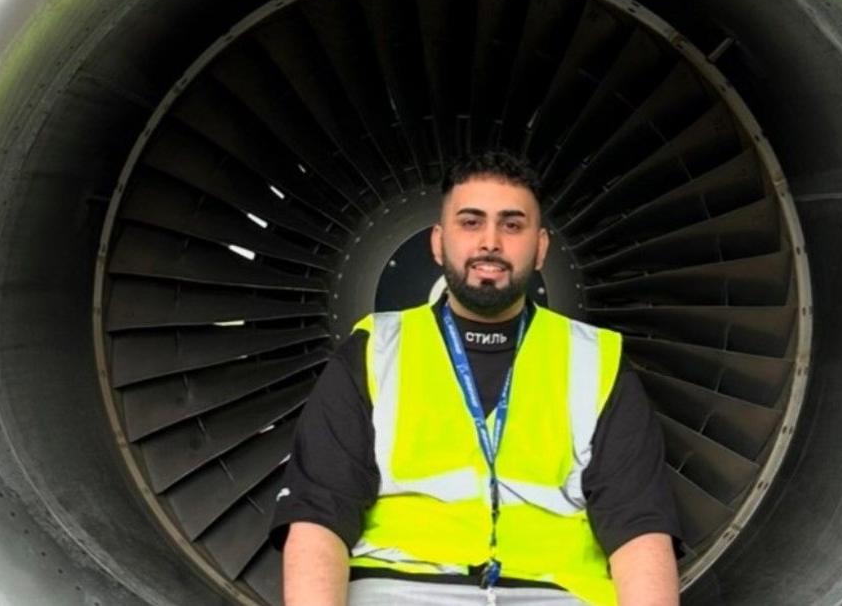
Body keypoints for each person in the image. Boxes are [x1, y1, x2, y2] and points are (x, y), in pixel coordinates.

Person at [270, 151, 681, 605]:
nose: (490, 242)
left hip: (552, 593)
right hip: (401, 590)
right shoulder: (372, 352)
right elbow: (317, 519)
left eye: (511, 225)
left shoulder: (597, 361)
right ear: (438, 243)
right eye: (470, 222)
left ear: (541, 247)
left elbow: (641, 531)